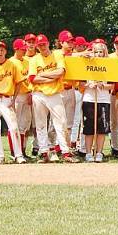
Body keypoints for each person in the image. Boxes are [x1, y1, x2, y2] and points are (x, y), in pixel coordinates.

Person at [27, 34, 79, 163]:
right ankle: (44, 152)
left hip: (55, 93)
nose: (42, 47)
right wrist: (51, 77)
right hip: (39, 94)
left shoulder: (57, 55)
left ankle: (65, 152)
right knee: (40, 124)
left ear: (48, 43)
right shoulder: (34, 59)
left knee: (61, 122)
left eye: (44, 44)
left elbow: (60, 72)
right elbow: (33, 79)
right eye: (39, 45)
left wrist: (43, 75)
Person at [81, 42, 113, 162]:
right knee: (89, 127)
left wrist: (102, 85)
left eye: (101, 52)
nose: (99, 54)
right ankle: (88, 152)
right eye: (96, 51)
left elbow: (112, 86)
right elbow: (81, 84)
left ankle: (99, 152)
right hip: (89, 99)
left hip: (104, 100)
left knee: (102, 128)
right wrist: (89, 84)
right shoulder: (86, 65)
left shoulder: (109, 66)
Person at [8, 38, 32, 160]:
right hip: (15, 96)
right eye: (22, 49)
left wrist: (31, 93)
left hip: (27, 94)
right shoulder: (10, 62)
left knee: (24, 124)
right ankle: (13, 151)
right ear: (15, 49)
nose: (24, 51)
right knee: (14, 124)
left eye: (24, 49)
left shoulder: (27, 61)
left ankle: (22, 151)